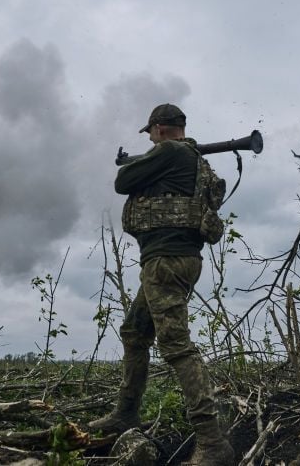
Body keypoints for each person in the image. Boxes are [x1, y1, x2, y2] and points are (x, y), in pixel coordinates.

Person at [89, 103, 234, 465]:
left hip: (166, 262)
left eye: (151, 132)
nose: (151, 138)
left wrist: (146, 159)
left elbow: (122, 182)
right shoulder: (191, 159)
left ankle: (213, 443)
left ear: (158, 128)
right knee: (135, 332)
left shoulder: (169, 152)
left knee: (176, 346)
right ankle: (126, 413)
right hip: (174, 260)